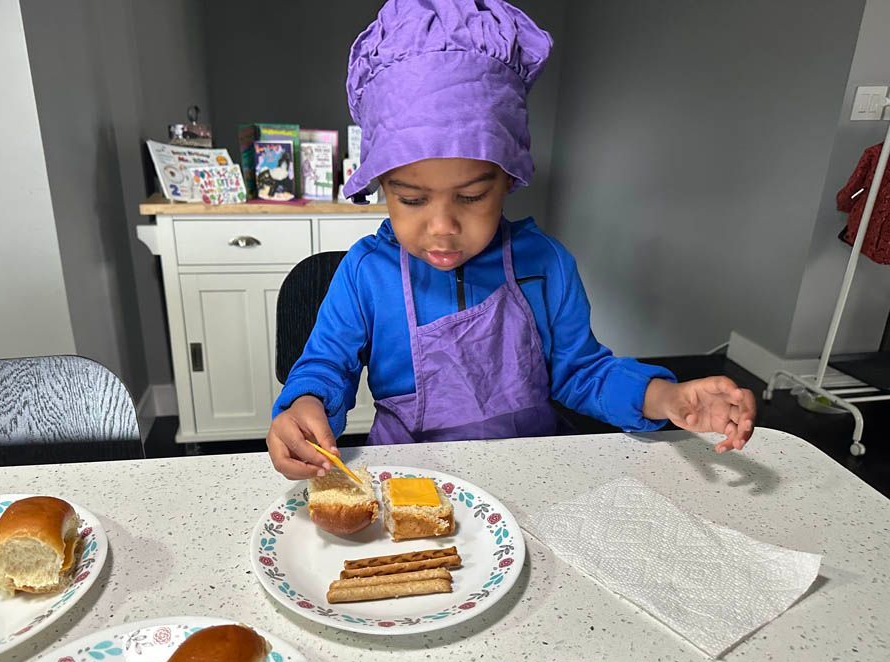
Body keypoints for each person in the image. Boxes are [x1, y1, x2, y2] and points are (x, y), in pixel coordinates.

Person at [267, 0, 756, 480]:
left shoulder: (545, 263)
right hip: (410, 478)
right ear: (381, 188)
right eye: (412, 200)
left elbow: (583, 372)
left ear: (508, 181)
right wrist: (306, 404)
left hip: (536, 470)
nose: (442, 227)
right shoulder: (364, 274)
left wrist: (667, 399)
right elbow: (326, 365)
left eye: (472, 196)